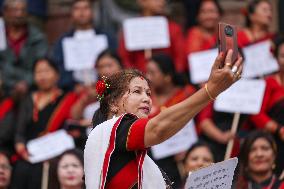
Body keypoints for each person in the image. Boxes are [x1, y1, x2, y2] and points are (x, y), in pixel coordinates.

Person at [84, 49, 243, 188]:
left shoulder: (145, 161)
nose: (146, 98)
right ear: (113, 103)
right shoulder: (112, 130)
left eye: (148, 93)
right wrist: (211, 90)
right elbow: (158, 128)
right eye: (137, 91)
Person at [11, 58, 78, 189]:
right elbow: (19, 132)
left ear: (57, 74)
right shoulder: (28, 99)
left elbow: (72, 127)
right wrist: (23, 151)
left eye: (46, 71)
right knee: (21, 169)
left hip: (58, 154)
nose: (42, 76)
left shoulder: (67, 99)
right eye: (38, 72)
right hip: (29, 154)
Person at [145, 53, 196, 188]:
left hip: (184, 154)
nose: (147, 77)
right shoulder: (144, 98)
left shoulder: (186, 94)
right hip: (156, 155)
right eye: (147, 72)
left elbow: (196, 124)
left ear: (167, 77)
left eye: (152, 73)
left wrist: (188, 149)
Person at [51, 0, 116, 91]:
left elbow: (115, 64)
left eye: (86, 8)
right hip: (73, 91)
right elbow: (59, 68)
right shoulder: (62, 41)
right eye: (77, 9)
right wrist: (73, 86)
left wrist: (100, 85)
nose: (81, 12)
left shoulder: (107, 37)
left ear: (92, 12)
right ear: (71, 13)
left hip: (106, 88)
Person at [245, 37, 284, 176]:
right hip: (274, 141)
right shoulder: (269, 83)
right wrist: (278, 129)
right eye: (283, 56)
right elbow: (256, 113)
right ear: (276, 59)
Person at [118, 0, 186, 73]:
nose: (161, 1)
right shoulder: (131, 28)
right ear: (141, 1)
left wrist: (171, 78)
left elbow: (180, 59)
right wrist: (135, 78)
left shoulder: (173, 28)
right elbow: (124, 58)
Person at [0, 0, 48, 98]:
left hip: (31, 90)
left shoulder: (38, 38)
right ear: (5, 12)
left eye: (23, 10)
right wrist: (10, 84)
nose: (19, 14)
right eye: (15, 10)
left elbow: (42, 66)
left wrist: (26, 83)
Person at [70, 49, 123, 125]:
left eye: (109, 65)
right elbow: (75, 116)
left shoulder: (128, 85)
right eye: (101, 67)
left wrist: (92, 123)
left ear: (120, 66)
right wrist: (86, 98)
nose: (105, 71)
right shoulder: (96, 88)